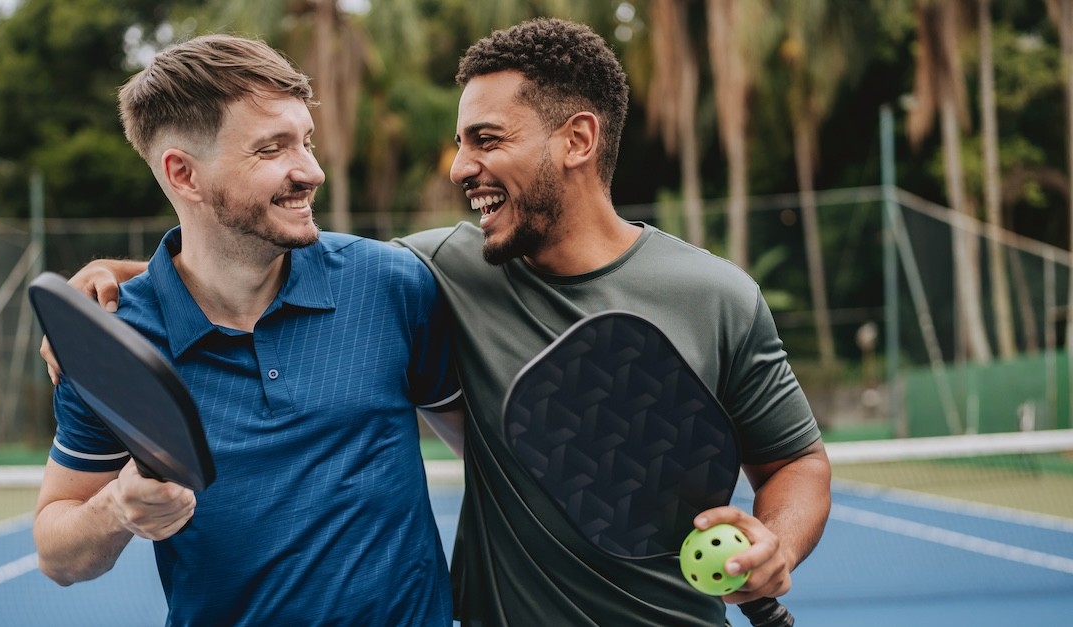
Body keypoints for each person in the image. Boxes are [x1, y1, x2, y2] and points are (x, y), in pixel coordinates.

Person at [54, 18, 831, 627]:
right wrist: (131, 281)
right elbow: (251, 247)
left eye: (486, 140)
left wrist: (778, 543)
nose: (460, 166)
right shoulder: (430, 271)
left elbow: (796, 462)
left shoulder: (717, 294)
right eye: (461, 141)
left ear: (578, 139)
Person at [32, 34, 463, 627]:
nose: (310, 170)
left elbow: (489, 456)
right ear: (183, 174)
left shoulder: (392, 285)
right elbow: (57, 551)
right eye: (272, 148)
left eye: (305, 141)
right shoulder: (112, 337)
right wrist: (114, 510)